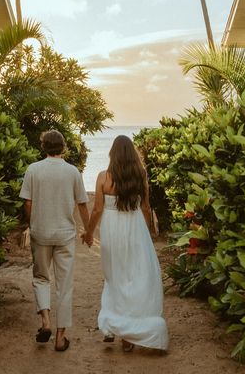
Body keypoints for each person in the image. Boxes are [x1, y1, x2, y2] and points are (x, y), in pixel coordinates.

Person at [82, 135, 168, 352]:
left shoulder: (103, 177)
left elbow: (97, 210)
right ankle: (126, 334)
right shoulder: (141, 175)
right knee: (135, 276)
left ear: (112, 153)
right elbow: (146, 208)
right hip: (135, 228)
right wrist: (149, 232)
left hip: (112, 232)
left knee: (114, 277)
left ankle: (113, 327)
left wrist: (89, 233)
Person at [20, 130, 89, 352]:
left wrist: (32, 223)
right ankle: (60, 338)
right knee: (64, 285)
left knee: (41, 278)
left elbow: (28, 202)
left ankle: (46, 322)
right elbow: (82, 204)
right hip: (65, 234)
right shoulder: (73, 172)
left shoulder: (33, 170)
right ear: (63, 146)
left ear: (43, 147)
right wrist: (88, 230)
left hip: (41, 232)